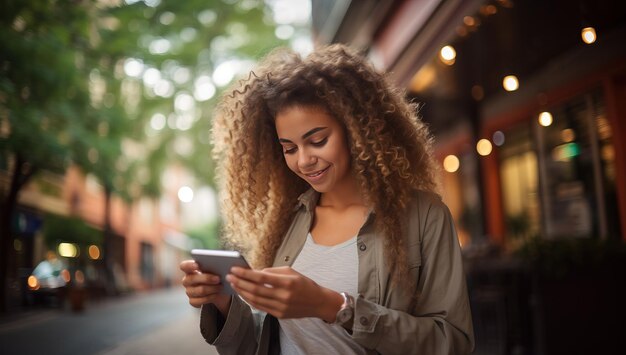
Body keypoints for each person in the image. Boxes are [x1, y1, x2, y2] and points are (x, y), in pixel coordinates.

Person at [180, 44, 474, 354]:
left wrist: (335, 306)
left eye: (317, 141)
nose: (304, 161)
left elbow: (453, 343)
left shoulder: (424, 216)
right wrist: (223, 303)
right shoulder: (288, 220)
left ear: (357, 130)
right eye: (289, 148)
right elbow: (264, 344)